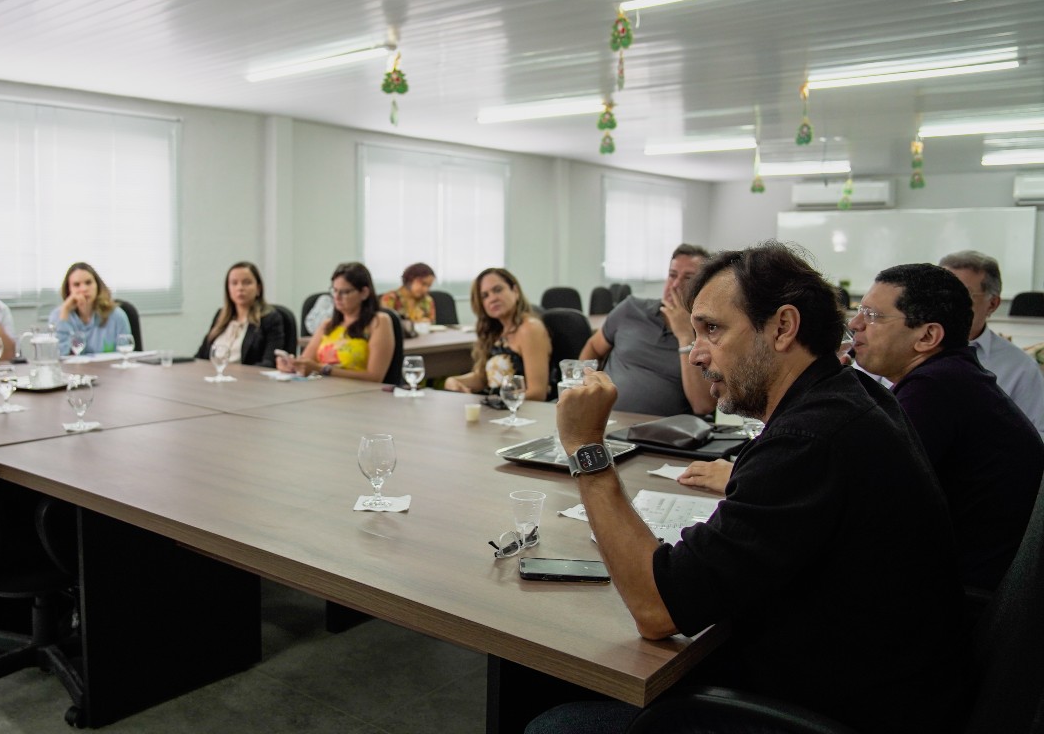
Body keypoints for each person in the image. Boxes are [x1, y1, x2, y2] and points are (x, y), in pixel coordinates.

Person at [533, 243, 963, 733]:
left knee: (559, 723)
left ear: (782, 326)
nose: (695, 354)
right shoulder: (849, 397)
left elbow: (657, 610)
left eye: (712, 329)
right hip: (874, 680)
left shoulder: (809, 440)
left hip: (833, 708)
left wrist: (587, 448)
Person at [850, 263, 1044, 591]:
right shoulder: (951, 377)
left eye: (872, 316)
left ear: (927, 336)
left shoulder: (936, 389)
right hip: (969, 584)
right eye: (859, 311)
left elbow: (861, 492)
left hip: (963, 600)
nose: (854, 324)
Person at [580, 244, 714, 416]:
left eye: (688, 278)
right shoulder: (630, 309)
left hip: (662, 434)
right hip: (603, 422)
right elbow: (593, 347)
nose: (675, 285)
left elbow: (702, 406)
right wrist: (585, 386)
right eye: (672, 275)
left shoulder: (709, 333)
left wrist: (685, 335)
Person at [940, 250, 1044, 437]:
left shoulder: (1020, 368)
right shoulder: (900, 348)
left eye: (962, 296)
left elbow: (1037, 437)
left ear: (993, 304)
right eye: (940, 293)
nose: (945, 304)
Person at [442, 268, 551, 401]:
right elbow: (484, 378)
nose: (492, 298)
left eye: (498, 290)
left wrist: (493, 403)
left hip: (520, 414)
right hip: (497, 409)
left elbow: (537, 393)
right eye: (485, 296)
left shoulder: (530, 329)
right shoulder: (496, 331)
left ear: (515, 291)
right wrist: (454, 381)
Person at [276, 262, 395, 382]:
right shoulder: (328, 324)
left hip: (359, 395)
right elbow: (305, 362)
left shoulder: (379, 322)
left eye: (345, 292)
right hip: (323, 391)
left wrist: (323, 370)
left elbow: (375, 377)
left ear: (364, 293)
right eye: (334, 290)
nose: (337, 297)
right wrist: (291, 365)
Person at [195, 261, 286, 367]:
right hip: (213, 378)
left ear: (258, 288)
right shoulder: (220, 315)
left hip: (246, 381)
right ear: (228, 289)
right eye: (234, 283)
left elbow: (269, 363)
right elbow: (200, 356)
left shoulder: (270, 319)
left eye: (247, 282)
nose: (240, 288)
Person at [49, 262, 131, 355]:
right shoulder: (58, 315)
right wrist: (65, 310)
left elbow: (125, 356)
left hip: (107, 369)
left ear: (97, 286)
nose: (84, 289)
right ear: (68, 289)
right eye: (76, 284)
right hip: (72, 370)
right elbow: (58, 355)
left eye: (88, 283)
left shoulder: (117, 316)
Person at [379, 262, 437, 327]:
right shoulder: (390, 298)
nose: (426, 289)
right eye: (423, 284)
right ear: (410, 279)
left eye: (429, 286)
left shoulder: (427, 300)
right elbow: (385, 325)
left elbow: (432, 324)